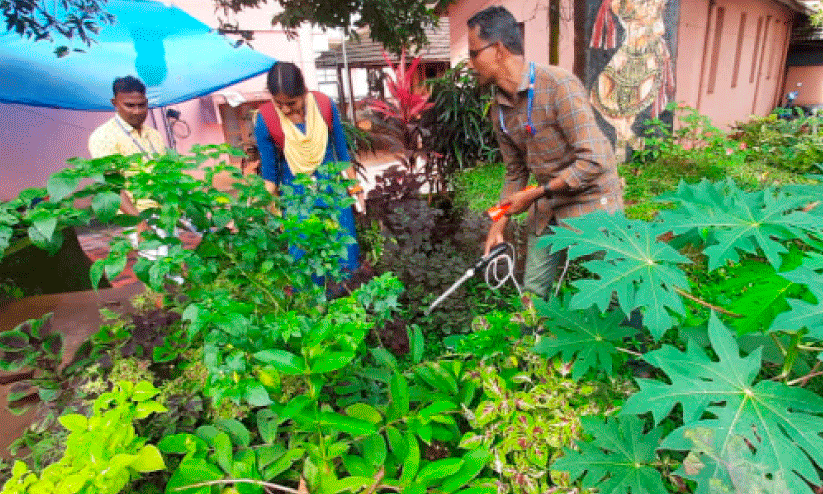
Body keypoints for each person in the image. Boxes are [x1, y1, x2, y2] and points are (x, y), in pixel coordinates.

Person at [467, 6, 624, 300]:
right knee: (532, 295)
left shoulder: (558, 85)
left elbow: (596, 160)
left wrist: (535, 193)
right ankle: (529, 343)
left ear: (499, 50)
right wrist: (499, 221)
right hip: (546, 209)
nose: (470, 62)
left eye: (474, 53)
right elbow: (515, 172)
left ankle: (637, 343)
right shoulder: (499, 108)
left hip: (591, 203)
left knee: (618, 293)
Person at [254, 61, 362, 281]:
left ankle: (351, 305)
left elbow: (341, 151)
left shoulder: (323, 105)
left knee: (343, 248)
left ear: (303, 92)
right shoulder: (266, 118)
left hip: (332, 192)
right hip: (296, 196)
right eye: (278, 103)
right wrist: (269, 205)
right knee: (304, 255)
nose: (284, 109)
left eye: (291, 102)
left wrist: (355, 188)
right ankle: (314, 308)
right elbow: (270, 172)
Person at [88, 75, 173, 263]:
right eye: (129, 105)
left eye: (142, 105)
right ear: (115, 103)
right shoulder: (104, 137)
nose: (137, 111)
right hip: (139, 215)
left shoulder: (153, 134)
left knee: (174, 265)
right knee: (158, 271)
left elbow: (165, 172)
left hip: (166, 212)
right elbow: (112, 186)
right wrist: (139, 222)